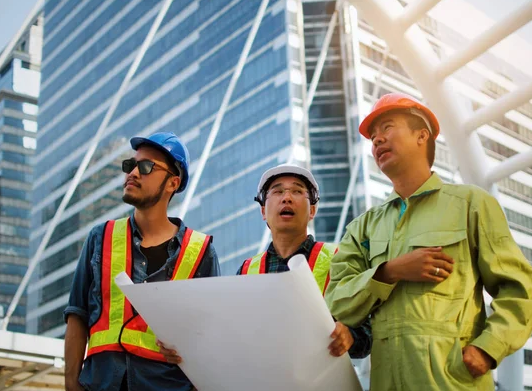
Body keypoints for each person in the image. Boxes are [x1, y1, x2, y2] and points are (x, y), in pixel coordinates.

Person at [324, 93, 532, 390]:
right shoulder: (362, 228)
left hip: (453, 382)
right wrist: (391, 271)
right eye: (373, 136)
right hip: (387, 382)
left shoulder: (471, 204)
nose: (376, 140)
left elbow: (521, 291)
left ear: (421, 135)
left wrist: (488, 347)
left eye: (387, 127)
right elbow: (337, 302)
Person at [159, 164, 371, 364]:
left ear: (312, 211)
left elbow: (368, 332)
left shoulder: (339, 259)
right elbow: (229, 335)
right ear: (263, 212)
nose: (287, 198)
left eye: (297, 191)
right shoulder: (247, 271)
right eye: (277, 192)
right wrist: (185, 348)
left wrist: (350, 337)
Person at [64, 132, 220, 391]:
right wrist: (71, 383)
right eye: (131, 165)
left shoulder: (201, 251)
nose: (133, 172)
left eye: (146, 167)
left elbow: (210, 334)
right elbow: (77, 315)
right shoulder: (100, 238)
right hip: (101, 384)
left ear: (173, 183)